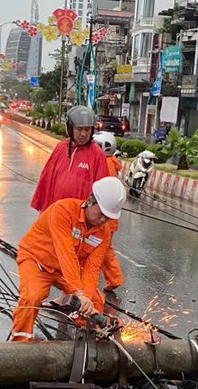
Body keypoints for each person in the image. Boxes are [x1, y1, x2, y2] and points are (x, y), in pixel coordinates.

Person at [10, 177, 126, 342]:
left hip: (64, 271)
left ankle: (86, 341)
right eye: (101, 214)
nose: (103, 221)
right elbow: (67, 254)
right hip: (36, 260)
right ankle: (19, 343)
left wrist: (86, 298)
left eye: (108, 217)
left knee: (94, 301)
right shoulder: (62, 211)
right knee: (32, 297)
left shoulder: (103, 232)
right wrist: (79, 292)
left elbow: (92, 268)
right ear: (90, 201)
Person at [30, 105, 108, 212]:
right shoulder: (60, 148)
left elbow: (103, 193)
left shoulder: (98, 155)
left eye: (87, 129)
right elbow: (46, 178)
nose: (83, 134)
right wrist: (43, 212)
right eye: (79, 129)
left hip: (79, 218)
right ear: (70, 128)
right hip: (55, 213)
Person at [85, 132, 125, 294]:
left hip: (104, 217)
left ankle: (111, 280)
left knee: (100, 250)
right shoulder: (109, 162)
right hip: (106, 216)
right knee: (105, 250)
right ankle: (114, 279)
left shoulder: (106, 164)